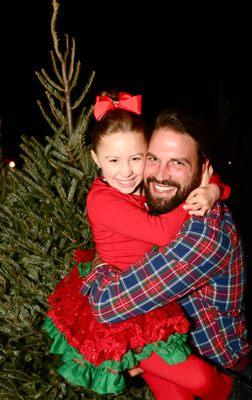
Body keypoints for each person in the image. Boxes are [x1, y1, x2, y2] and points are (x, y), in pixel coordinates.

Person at [44, 91, 233, 399]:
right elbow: (160, 234)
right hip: (125, 312)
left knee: (174, 394)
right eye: (113, 160)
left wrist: (212, 189)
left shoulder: (142, 182)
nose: (127, 171)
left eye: (137, 158)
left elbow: (205, 173)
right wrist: (191, 196)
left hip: (147, 299)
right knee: (201, 379)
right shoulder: (101, 200)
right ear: (95, 159)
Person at [83, 106, 252, 397]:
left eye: (177, 163)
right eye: (153, 158)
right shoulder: (139, 196)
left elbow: (106, 305)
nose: (159, 174)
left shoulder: (203, 235)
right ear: (97, 159)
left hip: (215, 364)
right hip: (157, 334)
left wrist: (214, 189)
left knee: (202, 382)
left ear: (201, 169)